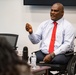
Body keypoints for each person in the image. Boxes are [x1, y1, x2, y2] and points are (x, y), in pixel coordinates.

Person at [25, 2, 75, 75]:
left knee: (56, 60)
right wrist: (31, 33)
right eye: (51, 10)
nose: (52, 12)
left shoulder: (68, 26)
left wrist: (52, 55)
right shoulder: (44, 24)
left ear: (62, 13)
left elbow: (67, 45)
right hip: (45, 53)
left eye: (55, 11)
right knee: (33, 58)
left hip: (60, 54)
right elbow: (35, 41)